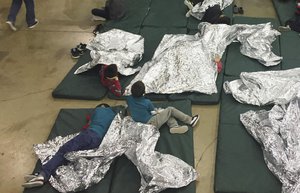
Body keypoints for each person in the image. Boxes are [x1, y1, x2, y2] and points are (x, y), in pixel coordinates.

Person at [22, 104, 122, 188]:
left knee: (62, 152)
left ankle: (42, 174)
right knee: (71, 156)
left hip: (88, 135)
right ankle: (43, 175)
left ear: (101, 107)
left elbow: (88, 123)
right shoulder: (113, 115)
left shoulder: (99, 110)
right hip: (98, 143)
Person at [126, 81, 200, 134]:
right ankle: (190, 120)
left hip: (139, 123)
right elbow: (153, 111)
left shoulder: (128, 99)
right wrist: (160, 111)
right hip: (150, 124)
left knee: (166, 113)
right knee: (170, 110)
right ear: (143, 93)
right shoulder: (147, 102)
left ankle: (174, 126)